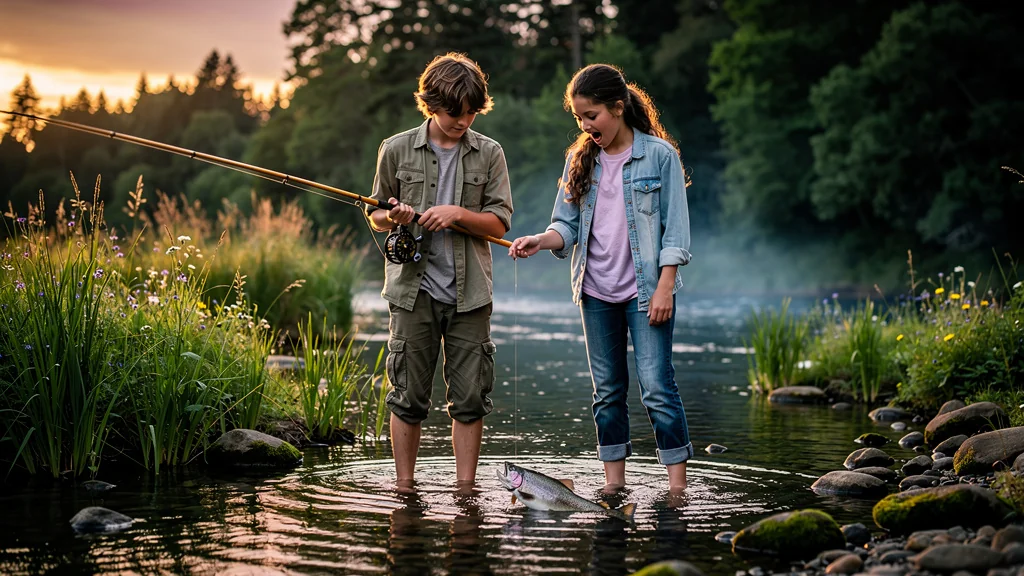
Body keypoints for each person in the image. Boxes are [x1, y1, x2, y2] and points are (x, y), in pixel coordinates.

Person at [508, 63, 692, 492]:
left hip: (648, 293)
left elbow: (676, 230)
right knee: (607, 392)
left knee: (657, 389)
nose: (586, 126)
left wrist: (666, 285)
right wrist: (541, 239)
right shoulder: (580, 159)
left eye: (592, 116)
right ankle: (614, 486)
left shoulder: (659, 156)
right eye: (579, 118)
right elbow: (565, 226)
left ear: (619, 106)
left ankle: (678, 490)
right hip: (594, 292)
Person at [367, 52, 513, 489]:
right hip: (413, 293)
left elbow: (500, 223)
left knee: (469, 400)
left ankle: (465, 493)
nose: (463, 121)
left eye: (471, 113)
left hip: (472, 297)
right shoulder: (394, 149)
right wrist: (394, 217)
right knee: (408, 398)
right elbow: (376, 214)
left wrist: (456, 214)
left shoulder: (490, 154)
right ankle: (404, 489)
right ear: (431, 104)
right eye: (455, 113)